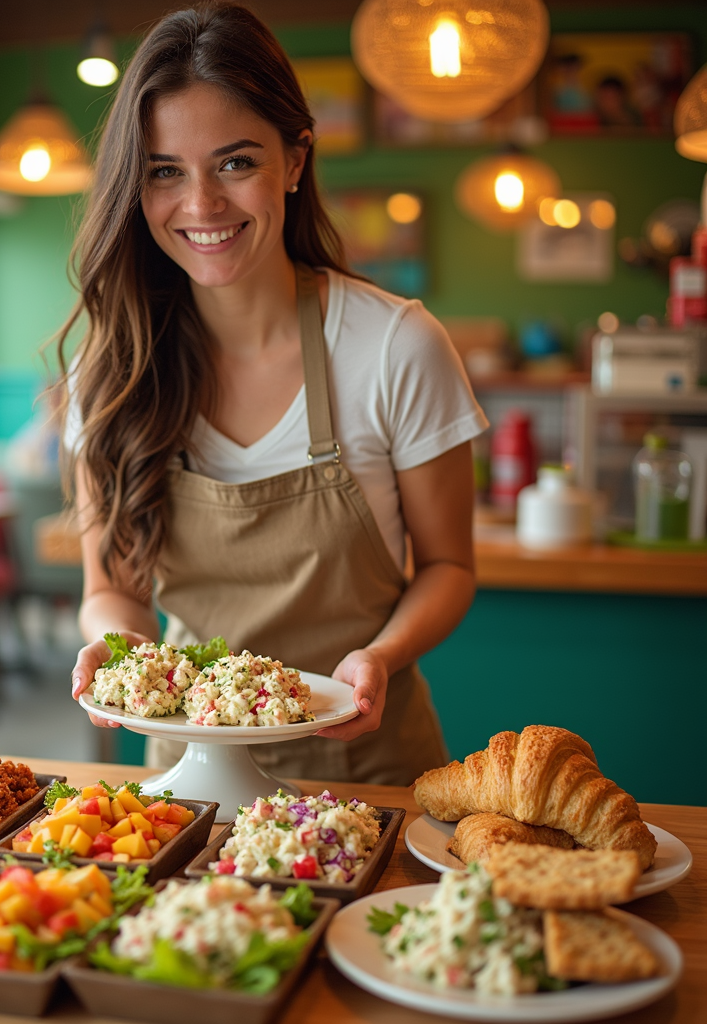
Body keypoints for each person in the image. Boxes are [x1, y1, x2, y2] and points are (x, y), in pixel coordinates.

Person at [62, 3, 488, 784]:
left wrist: (382, 656)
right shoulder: (113, 368)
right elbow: (111, 589)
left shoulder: (395, 345)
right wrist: (115, 647)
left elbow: (448, 567)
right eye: (164, 171)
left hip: (369, 774)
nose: (201, 206)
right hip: (186, 780)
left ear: (295, 161)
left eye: (235, 163)